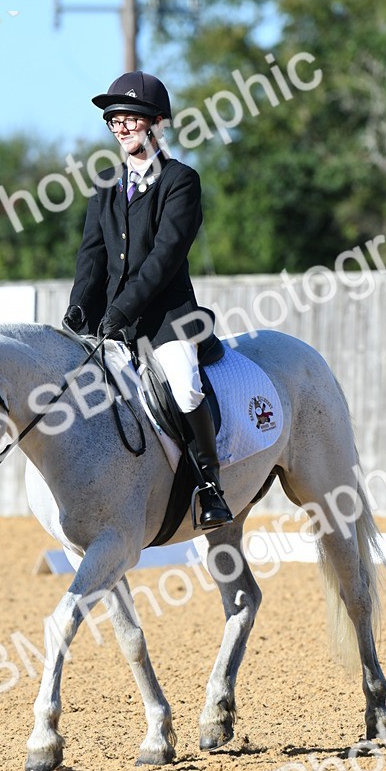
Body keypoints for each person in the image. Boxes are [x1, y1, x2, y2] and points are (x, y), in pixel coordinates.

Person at [62, 70, 232, 529]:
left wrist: (122, 309)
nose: (121, 127)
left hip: (166, 319)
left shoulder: (181, 181)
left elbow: (164, 259)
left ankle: (210, 487)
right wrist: (81, 305)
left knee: (184, 384)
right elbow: (92, 255)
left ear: (157, 124)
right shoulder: (107, 183)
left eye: (130, 119)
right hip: (111, 321)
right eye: (114, 120)